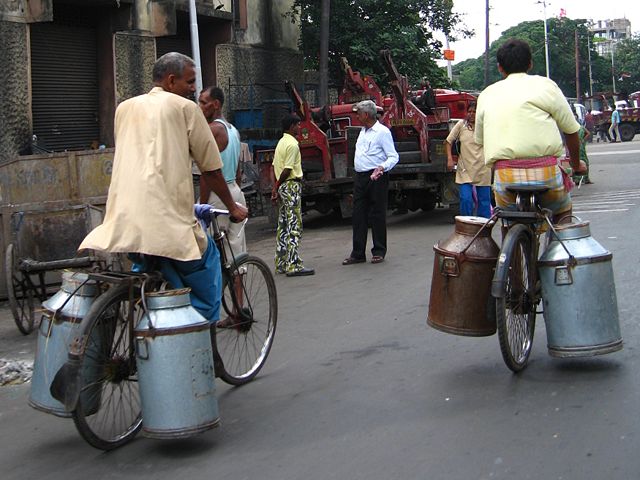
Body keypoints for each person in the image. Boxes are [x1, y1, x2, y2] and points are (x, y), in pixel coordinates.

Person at [79, 52, 248, 326]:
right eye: (190, 82)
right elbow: (211, 169)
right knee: (207, 271)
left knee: (147, 266)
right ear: (171, 80)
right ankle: (199, 344)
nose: (194, 89)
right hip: (166, 221)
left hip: (123, 221)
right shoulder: (185, 109)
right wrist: (232, 207)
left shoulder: (124, 108)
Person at [475, 38, 584, 224]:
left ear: (500, 68)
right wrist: (576, 165)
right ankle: (563, 245)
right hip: (546, 174)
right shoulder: (546, 85)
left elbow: (480, 140)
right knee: (563, 210)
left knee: (508, 220)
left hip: (506, 177)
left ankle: (510, 249)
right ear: (530, 63)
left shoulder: (486, 94)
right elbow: (571, 131)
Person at [198, 85, 248, 327]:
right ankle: (237, 309)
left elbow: (208, 172)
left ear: (215, 104)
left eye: (204, 102)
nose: (200, 106)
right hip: (235, 192)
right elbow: (237, 170)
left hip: (219, 196)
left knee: (210, 256)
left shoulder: (212, 130)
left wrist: (202, 204)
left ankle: (214, 310)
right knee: (236, 255)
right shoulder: (233, 130)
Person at [343, 99, 399, 265]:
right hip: (361, 177)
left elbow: (393, 156)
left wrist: (382, 167)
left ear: (366, 114)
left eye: (358, 114)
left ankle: (379, 250)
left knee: (377, 214)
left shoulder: (382, 132)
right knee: (358, 214)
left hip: (377, 176)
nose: (357, 117)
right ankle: (358, 252)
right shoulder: (362, 131)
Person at [271, 113, 315, 277]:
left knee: (283, 225)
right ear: (291, 127)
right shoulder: (293, 145)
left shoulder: (281, 143)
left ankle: (281, 262)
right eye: (297, 125)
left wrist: (276, 188)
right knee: (294, 225)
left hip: (283, 187)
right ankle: (293, 264)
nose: (299, 127)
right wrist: (278, 185)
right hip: (291, 185)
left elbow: (273, 167)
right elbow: (288, 169)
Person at [445, 102, 492, 218]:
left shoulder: (485, 126)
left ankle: (483, 229)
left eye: (474, 112)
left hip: (483, 168)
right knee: (465, 199)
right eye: (469, 111)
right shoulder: (461, 125)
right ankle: (467, 226)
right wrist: (449, 159)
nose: (471, 114)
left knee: (484, 201)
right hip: (465, 169)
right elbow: (448, 141)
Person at [573, 117, 593, 185]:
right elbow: (588, 133)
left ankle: (576, 179)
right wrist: (583, 140)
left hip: (574, 147)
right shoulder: (581, 127)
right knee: (585, 162)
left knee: (575, 162)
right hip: (581, 147)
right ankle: (586, 179)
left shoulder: (572, 128)